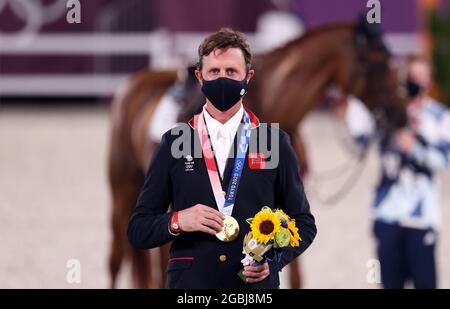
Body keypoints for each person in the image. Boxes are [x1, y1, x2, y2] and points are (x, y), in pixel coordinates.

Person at [127, 28, 317, 289]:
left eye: (231, 72)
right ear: (200, 77)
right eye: (214, 72)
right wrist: (178, 220)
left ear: (248, 77)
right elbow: (138, 229)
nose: (223, 79)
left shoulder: (275, 142)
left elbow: (304, 223)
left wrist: (274, 260)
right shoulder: (174, 142)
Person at [341, 55, 450, 288]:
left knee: (425, 283)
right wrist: (353, 99)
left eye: (421, 77)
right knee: (388, 283)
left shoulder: (440, 116)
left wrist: (415, 150)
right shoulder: (386, 114)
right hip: (386, 213)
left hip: (422, 218)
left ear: (430, 81)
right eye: (411, 77)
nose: (416, 82)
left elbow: (444, 160)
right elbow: (358, 141)